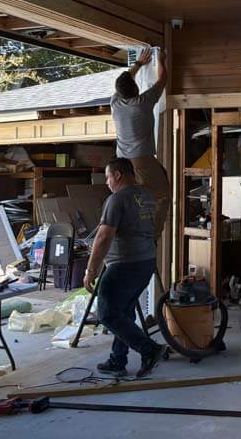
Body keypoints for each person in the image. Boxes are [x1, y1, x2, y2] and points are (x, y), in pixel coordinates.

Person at [83, 158, 167, 378]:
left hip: (124, 265)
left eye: (108, 177)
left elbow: (103, 237)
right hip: (146, 262)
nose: (107, 182)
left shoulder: (117, 199)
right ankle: (117, 360)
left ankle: (149, 349)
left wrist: (91, 270)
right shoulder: (146, 197)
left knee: (107, 314)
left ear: (118, 175)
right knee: (124, 312)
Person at [111, 46, 170, 249]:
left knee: (134, 201)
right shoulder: (142, 103)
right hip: (140, 162)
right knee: (162, 196)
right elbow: (162, 80)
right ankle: (150, 238)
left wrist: (138, 64)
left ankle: (131, 235)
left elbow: (124, 81)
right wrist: (160, 59)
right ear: (135, 88)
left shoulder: (115, 103)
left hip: (123, 163)